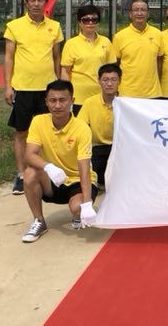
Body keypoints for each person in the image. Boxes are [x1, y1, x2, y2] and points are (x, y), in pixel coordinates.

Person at [3, 0, 64, 195]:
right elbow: (8, 57)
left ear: (46, 2)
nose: (36, 4)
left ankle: (46, 171)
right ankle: (21, 174)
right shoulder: (14, 26)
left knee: (49, 132)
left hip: (48, 90)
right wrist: (8, 85)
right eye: (33, 0)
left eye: (40, 0)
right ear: (26, 2)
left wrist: (59, 85)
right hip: (23, 88)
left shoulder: (55, 26)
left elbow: (57, 57)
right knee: (22, 132)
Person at [21, 79, 98, 243]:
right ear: (46, 102)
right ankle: (39, 221)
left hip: (77, 179)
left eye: (62, 100)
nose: (57, 105)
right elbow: (29, 154)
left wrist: (87, 205)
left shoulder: (82, 128)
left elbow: (84, 167)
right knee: (29, 172)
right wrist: (48, 167)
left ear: (72, 101)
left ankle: (78, 213)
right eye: (53, 100)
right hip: (54, 179)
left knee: (77, 209)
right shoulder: (38, 121)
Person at [60, 5, 115, 114]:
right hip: (78, 97)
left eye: (94, 20)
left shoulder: (106, 42)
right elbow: (65, 72)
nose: (90, 23)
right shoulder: (71, 44)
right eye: (86, 20)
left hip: (101, 96)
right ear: (79, 22)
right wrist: (66, 95)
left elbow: (112, 70)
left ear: (98, 22)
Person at [78, 63, 121, 191]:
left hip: (119, 148)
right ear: (99, 81)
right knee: (94, 177)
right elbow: (80, 127)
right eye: (105, 80)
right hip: (97, 148)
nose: (109, 84)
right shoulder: (89, 103)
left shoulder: (126, 103)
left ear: (120, 81)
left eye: (113, 80)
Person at [112, 0, 164, 99]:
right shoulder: (119, 36)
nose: (139, 13)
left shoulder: (158, 34)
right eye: (136, 10)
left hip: (152, 93)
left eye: (143, 10)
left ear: (148, 13)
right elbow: (115, 65)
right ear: (130, 14)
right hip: (127, 93)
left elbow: (159, 61)